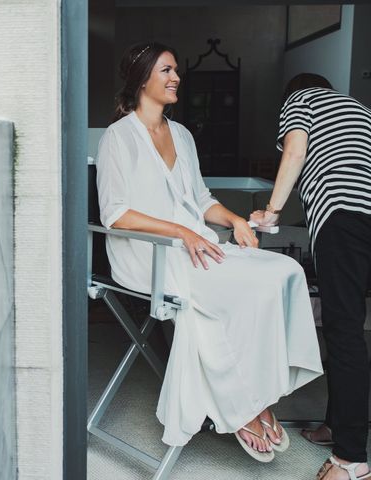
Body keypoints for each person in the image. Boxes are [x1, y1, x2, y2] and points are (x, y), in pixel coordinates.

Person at [96, 41, 323, 462]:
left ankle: (257, 392)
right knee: (235, 290)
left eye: (176, 70)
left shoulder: (180, 133)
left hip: (195, 241)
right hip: (147, 253)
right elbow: (116, 214)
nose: (175, 77)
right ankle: (242, 405)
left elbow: (200, 199)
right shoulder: (118, 136)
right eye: (165, 70)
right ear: (141, 77)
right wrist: (181, 232)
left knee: (282, 271)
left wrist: (235, 220)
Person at [250, 73, 371, 480]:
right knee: (350, 327)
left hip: (343, 220)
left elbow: (295, 152)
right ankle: (336, 428)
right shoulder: (358, 110)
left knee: (344, 331)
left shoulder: (300, 99)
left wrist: (272, 210)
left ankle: (351, 460)